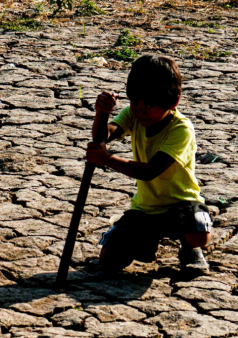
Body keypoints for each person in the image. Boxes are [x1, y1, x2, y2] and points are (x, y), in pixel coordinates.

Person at [85, 54, 212, 275]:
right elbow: (102, 137)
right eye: (134, 102)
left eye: (149, 105)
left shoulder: (181, 130)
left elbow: (151, 171)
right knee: (109, 261)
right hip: (145, 209)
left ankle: (190, 248)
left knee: (197, 233)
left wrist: (107, 159)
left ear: (173, 102)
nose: (140, 110)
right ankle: (147, 242)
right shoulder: (133, 115)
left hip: (180, 206)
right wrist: (102, 113)